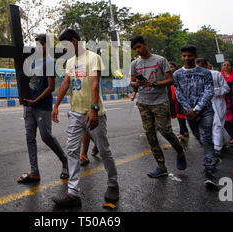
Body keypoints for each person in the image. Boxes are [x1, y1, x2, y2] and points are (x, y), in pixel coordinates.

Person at [51, 29, 119, 207]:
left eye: (66, 46)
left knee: (104, 150)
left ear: (74, 41)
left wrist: (94, 109)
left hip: (93, 113)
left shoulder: (92, 57)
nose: (65, 50)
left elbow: (95, 83)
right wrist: (56, 105)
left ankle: (113, 184)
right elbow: (66, 83)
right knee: (72, 151)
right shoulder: (70, 62)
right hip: (75, 114)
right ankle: (73, 193)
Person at [130, 35, 187, 178]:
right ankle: (161, 166)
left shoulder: (160, 60)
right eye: (135, 48)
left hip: (160, 102)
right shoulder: (134, 64)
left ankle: (179, 151)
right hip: (143, 102)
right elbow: (132, 82)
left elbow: (170, 79)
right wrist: (137, 84)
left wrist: (154, 84)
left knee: (165, 131)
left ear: (146, 44)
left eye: (139, 46)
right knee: (150, 134)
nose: (138, 50)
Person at [17, 34, 69, 183]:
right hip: (29, 106)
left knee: (46, 136)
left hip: (42, 106)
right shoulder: (33, 62)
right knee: (30, 138)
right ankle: (34, 172)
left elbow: (51, 87)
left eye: (42, 44)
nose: (39, 47)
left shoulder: (50, 62)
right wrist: (27, 99)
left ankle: (65, 160)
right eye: (37, 44)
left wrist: (36, 100)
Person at [173, 46, 218, 188]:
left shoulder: (205, 72)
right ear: (181, 57)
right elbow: (178, 94)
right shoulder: (177, 74)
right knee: (199, 137)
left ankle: (209, 170)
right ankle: (212, 157)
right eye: (184, 56)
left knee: (206, 138)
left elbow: (209, 90)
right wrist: (189, 110)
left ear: (195, 56)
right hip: (189, 112)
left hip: (205, 111)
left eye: (190, 56)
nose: (187, 58)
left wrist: (197, 109)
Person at [196, 58, 230, 157]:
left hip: (217, 102)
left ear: (207, 65)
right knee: (210, 124)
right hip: (203, 103)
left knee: (217, 124)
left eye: (201, 66)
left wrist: (213, 91)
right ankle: (223, 141)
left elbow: (226, 88)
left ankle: (217, 147)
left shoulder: (216, 74)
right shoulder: (195, 77)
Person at [168, 61, 189, 140]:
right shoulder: (167, 77)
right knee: (179, 115)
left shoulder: (180, 75)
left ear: (176, 67)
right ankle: (185, 131)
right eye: (168, 67)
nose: (170, 69)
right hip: (172, 98)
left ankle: (182, 132)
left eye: (171, 67)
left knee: (181, 115)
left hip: (181, 98)